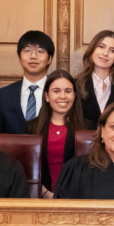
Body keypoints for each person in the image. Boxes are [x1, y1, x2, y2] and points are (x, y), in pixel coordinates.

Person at [27, 69, 90, 198]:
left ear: (74, 95)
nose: (63, 96)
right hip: (41, 198)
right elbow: (26, 167)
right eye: (56, 91)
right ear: (47, 96)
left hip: (78, 198)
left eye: (68, 91)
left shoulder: (88, 127)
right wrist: (45, 193)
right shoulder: (31, 127)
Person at [0, 30, 54, 135]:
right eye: (27, 51)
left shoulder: (59, 92)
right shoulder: (4, 94)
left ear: (49, 59)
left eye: (40, 51)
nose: (33, 56)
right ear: (19, 57)